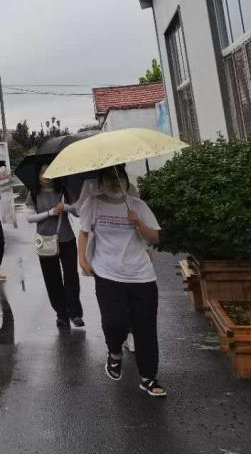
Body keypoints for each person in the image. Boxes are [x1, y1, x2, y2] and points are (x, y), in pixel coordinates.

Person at [78, 165, 166, 398]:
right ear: (101, 182)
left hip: (141, 275)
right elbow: (84, 232)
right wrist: (82, 260)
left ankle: (148, 378)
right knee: (114, 322)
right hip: (108, 274)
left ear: (125, 180)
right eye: (108, 178)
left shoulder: (138, 205)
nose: (114, 182)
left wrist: (138, 223)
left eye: (118, 178)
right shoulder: (92, 204)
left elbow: (155, 238)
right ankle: (115, 352)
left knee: (145, 328)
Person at [27, 175, 83, 330]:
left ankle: (75, 313)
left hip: (67, 239)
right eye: (42, 172)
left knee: (71, 277)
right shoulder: (34, 193)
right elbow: (30, 218)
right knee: (52, 280)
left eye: (48, 171)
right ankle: (61, 315)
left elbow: (78, 212)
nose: (45, 175)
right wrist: (50, 212)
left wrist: (67, 207)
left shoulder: (64, 190)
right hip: (45, 240)